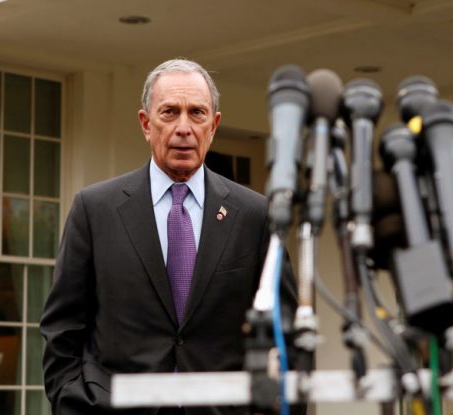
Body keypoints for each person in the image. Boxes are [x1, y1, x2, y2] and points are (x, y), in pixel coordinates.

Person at [41, 58, 297, 415]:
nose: (184, 128)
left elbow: (284, 337)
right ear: (146, 124)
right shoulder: (94, 209)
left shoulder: (255, 216)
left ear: (214, 125)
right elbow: (62, 328)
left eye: (197, 113)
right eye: (170, 112)